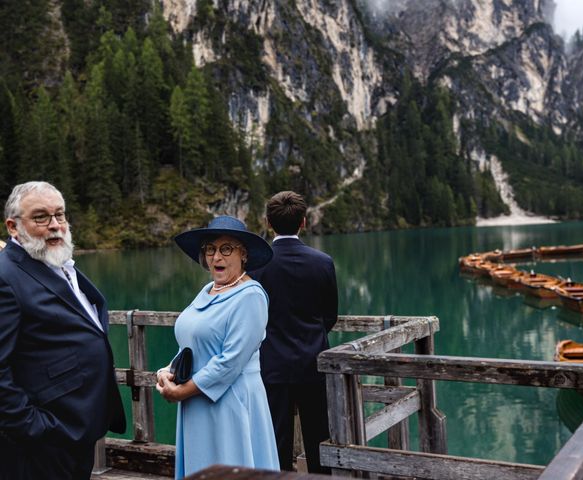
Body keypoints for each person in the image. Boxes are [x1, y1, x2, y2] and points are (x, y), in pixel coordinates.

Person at [0, 181, 126, 480]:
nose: (55, 225)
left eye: (60, 215)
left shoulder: (56, 263)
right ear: (13, 226)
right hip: (40, 442)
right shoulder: (6, 277)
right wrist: (34, 426)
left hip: (75, 429)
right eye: (41, 217)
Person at [156, 215, 279, 478]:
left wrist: (181, 392)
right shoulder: (208, 290)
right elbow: (190, 344)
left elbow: (230, 362)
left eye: (226, 249)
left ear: (243, 255)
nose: (216, 257)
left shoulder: (251, 296)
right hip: (196, 400)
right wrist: (167, 371)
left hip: (229, 403)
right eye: (210, 249)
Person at [251, 191, 338, 474]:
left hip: (272, 366)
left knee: (275, 442)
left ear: (268, 223)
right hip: (313, 364)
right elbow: (330, 316)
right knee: (318, 440)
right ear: (304, 222)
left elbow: (253, 319)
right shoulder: (323, 262)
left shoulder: (256, 266)